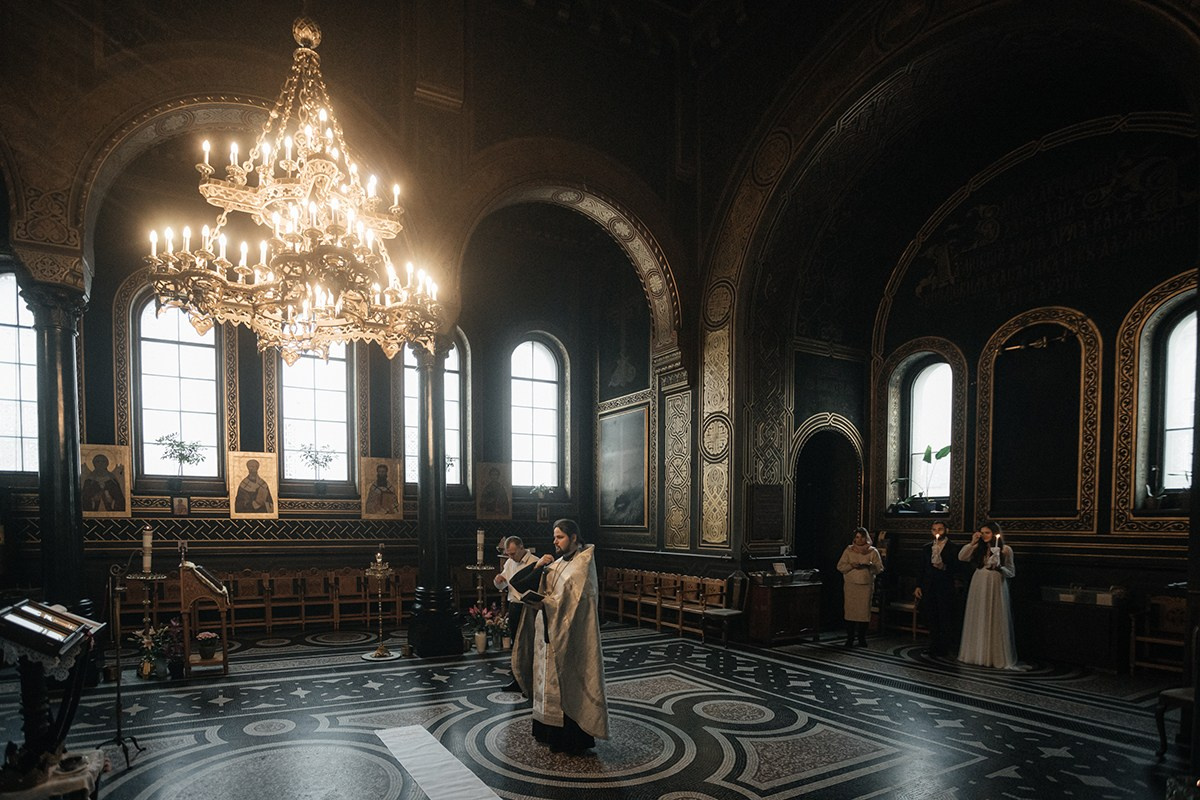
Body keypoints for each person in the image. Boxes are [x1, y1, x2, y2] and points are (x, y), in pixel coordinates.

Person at [509, 519, 609, 754]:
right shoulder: (557, 563)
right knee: (547, 685)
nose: (554, 541)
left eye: (560, 537)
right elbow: (517, 583)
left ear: (574, 537)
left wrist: (545, 603)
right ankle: (546, 731)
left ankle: (570, 740)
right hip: (547, 632)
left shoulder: (582, 565)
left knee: (565, 684)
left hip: (569, 636)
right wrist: (537, 567)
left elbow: (574, 602)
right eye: (554, 536)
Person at [957, 520, 1018, 668]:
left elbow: (1011, 572)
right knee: (978, 614)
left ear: (994, 533)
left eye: (987, 533)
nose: (984, 536)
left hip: (996, 583)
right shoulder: (978, 548)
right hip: (979, 581)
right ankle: (976, 652)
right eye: (982, 533)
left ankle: (993, 654)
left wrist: (1000, 568)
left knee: (994, 615)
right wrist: (972, 542)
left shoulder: (1006, 550)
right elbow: (962, 557)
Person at [493, 536, 537, 692]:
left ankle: (530, 681)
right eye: (508, 554)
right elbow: (504, 582)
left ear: (521, 547)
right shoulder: (510, 562)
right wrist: (499, 580)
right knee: (515, 644)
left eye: (512, 553)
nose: (510, 557)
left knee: (527, 644)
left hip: (528, 607)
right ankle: (516, 679)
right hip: (514, 606)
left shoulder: (534, 562)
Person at [913, 520, 960, 658]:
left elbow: (957, 568)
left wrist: (944, 567)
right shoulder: (927, 548)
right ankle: (933, 645)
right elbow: (921, 568)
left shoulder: (953, 548)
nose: (937, 532)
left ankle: (944, 647)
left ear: (947, 530)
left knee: (944, 617)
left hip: (944, 586)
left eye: (940, 529)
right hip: (929, 586)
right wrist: (918, 585)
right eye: (934, 530)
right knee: (931, 616)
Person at [836, 527, 883, 647]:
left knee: (863, 613)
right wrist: (851, 565)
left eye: (862, 537)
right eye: (857, 537)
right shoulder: (848, 550)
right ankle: (850, 638)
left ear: (866, 537)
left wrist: (870, 566)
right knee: (850, 612)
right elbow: (840, 566)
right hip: (851, 585)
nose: (860, 539)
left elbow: (880, 568)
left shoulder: (873, 551)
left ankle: (862, 638)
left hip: (865, 585)